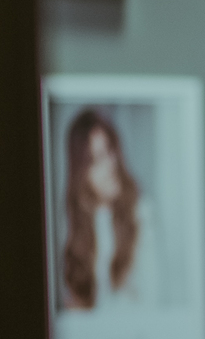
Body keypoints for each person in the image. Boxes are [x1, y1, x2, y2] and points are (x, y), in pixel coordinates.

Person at [61, 108, 155, 310]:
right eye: (97, 159)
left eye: (110, 150)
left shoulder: (141, 212)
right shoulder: (72, 224)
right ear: (81, 173)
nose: (111, 163)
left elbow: (152, 297)